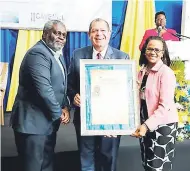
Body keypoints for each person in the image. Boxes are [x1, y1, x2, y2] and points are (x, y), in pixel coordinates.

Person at [67, 18, 129, 171]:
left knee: (109, 159)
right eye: (94, 30)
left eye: (102, 30)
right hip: (85, 119)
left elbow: (126, 93)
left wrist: (119, 121)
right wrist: (74, 95)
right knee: (86, 159)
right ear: (89, 34)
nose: (99, 34)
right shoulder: (78, 55)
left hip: (111, 121)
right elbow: (69, 84)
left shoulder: (122, 58)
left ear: (109, 33)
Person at [10, 20, 70, 171]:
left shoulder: (56, 54)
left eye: (64, 35)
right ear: (45, 34)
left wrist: (65, 106)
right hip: (33, 125)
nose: (61, 37)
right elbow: (44, 90)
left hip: (46, 123)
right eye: (57, 33)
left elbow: (61, 86)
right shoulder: (38, 53)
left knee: (46, 165)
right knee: (33, 167)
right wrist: (59, 113)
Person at [132, 36, 178, 171]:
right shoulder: (142, 71)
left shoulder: (166, 73)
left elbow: (165, 106)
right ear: (145, 51)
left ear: (163, 53)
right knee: (147, 164)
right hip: (146, 124)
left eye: (157, 50)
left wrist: (146, 125)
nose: (153, 52)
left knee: (158, 167)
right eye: (150, 48)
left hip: (163, 127)